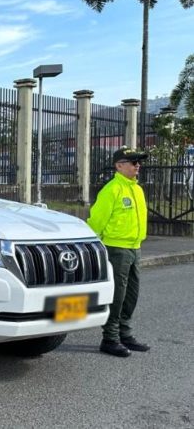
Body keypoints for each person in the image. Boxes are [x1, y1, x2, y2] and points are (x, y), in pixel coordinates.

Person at [87, 146, 151, 358]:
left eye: (138, 162)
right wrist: (93, 246)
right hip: (116, 249)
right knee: (117, 295)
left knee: (131, 294)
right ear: (119, 166)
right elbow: (96, 221)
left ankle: (125, 334)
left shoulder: (137, 189)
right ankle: (110, 338)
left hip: (135, 247)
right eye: (133, 162)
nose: (137, 166)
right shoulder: (112, 190)